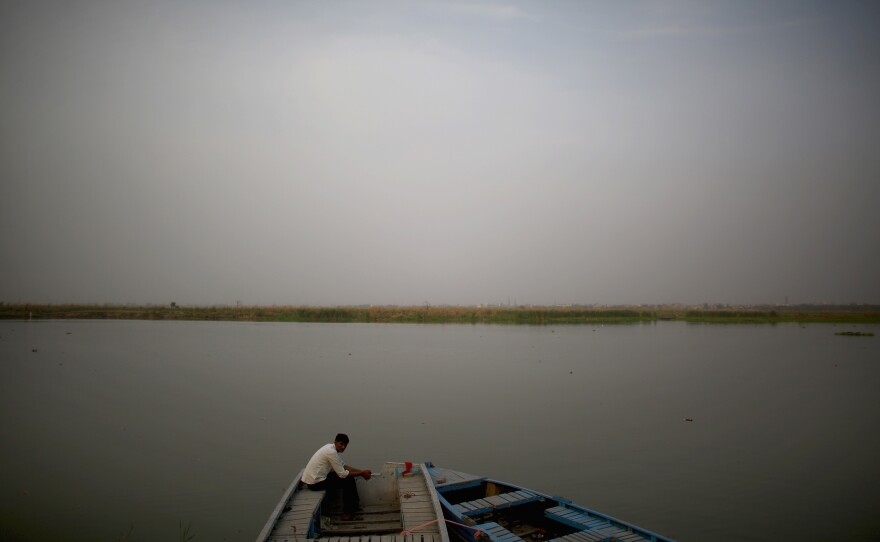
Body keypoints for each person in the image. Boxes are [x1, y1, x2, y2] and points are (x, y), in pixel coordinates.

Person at [301, 433, 372, 520]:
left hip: (316, 480)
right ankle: (348, 512)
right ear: (335, 442)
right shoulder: (331, 452)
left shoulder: (330, 448)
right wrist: (361, 473)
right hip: (315, 483)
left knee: (349, 477)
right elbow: (342, 474)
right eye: (341, 444)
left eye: (345, 445)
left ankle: (354, 506)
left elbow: (344, 466)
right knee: (347, 480)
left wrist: (362, 471)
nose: (343, 447)